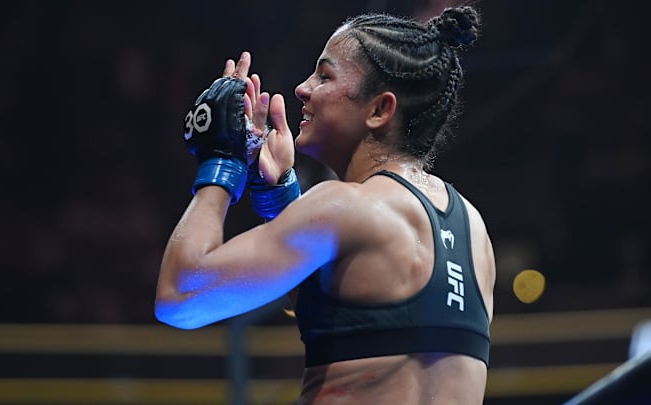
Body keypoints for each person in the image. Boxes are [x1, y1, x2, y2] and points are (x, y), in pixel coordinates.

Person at [156, 5, 496, 404]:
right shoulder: (471, 226)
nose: (303, 88)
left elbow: (180, 298)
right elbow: (344, 318)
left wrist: (222, 160)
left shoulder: (344, 207)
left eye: (324, 75)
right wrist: (277, 192)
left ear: (380, 110)